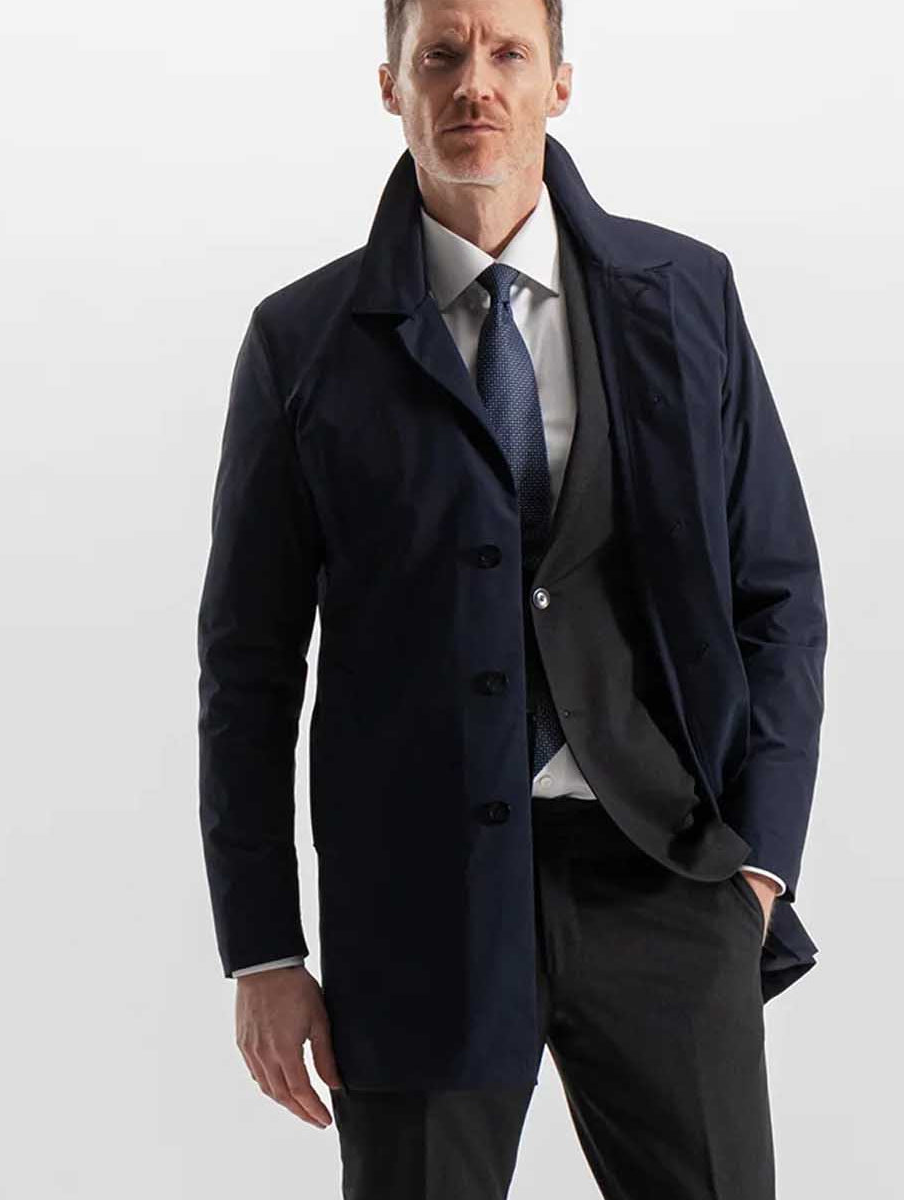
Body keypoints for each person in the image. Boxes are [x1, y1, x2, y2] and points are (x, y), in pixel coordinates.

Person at [196, 0, 827, 1195]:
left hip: (663, 875)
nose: (473, 83)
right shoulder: (302, 341)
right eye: (440, 55)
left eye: (507, 53)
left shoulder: (685, 292)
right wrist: (264, 948)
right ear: (392, 85)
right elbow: (249, 666)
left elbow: (778, 594)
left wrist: (762, 863)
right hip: (416, 903)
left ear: (559, 82)